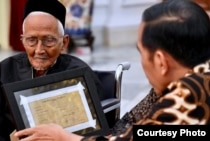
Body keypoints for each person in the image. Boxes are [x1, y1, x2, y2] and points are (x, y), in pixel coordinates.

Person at [12, 0, 210, 140]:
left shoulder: (188, 97)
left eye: (141, 52)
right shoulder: (188, 77)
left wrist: (63, 137)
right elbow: (131, 121)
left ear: (160, 61)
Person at [0, 0, 105, 140]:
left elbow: (97, 135)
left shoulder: (80, 75)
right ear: (22, 40)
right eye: (31, 40)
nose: (39, 50)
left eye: (49, 40)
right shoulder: (6, 69)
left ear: (64, 43)